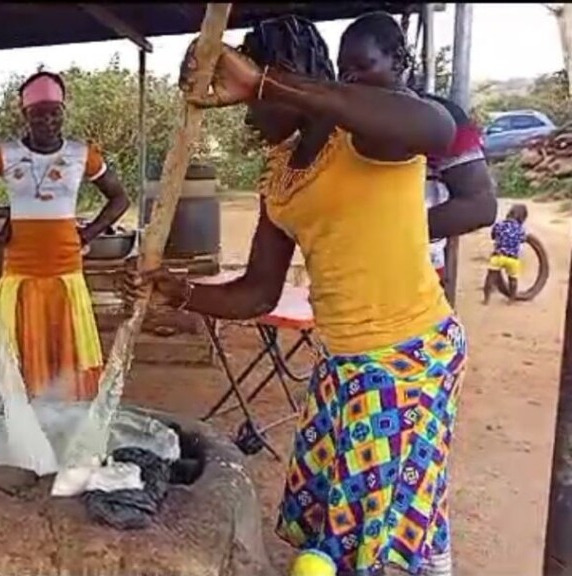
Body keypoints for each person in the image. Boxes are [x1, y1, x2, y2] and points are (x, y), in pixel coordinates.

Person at [125, 15, 463, 576]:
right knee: (354, 520)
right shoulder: (280, 172)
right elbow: (258, 291)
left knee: (377, 533)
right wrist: (177, 293)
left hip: (406, 356)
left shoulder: (367, 134)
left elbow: (437, 129)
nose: (248, 111)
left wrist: (265, 84)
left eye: (253, 94)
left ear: (289, 78)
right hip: (341, 363)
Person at [0, 71, 130, 400]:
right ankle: (27, 428)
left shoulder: (81, 154)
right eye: (38, 112)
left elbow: (120, 199)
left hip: (66, 276)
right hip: (20, 276)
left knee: (68, 360)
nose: (47, 120)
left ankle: (66, 426)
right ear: (24, 114)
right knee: (22, 361)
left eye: (54, 112)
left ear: (63, 112)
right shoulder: (2, 155)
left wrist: (88, 233)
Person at [336, 11, 497, 288]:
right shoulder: (342, 124)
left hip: (416, 276)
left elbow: (480, 206)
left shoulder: (440, 120)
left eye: (363, 65)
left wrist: (389, 234)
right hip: (354, 274)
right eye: (343, 71)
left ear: (398, 60)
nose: (351, 79)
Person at [483, 203, 529, 304]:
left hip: (498, 256)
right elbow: (523, 239)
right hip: (513, 259)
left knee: (490, 278)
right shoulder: (520, 229)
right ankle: (511, 299)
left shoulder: (499, 224)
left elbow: (493, 236)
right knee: (513, 280)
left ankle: (486, 299)